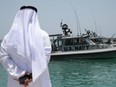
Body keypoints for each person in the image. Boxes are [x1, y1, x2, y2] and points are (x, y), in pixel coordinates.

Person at [0, 6, 52, 87]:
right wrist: (31, 77)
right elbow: (45, 58)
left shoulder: (7, 38)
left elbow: (3, 58)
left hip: (17, 82)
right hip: (39, 81)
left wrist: (20, 75)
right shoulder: (43, 35)